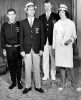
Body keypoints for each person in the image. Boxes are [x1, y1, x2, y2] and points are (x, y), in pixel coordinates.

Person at [20, 2, 44, 94]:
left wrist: (42, 49)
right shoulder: (22, 22)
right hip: (26, 49)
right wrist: (21, 49)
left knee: (37, 68)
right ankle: (28, 86)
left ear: (34, 10)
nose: (31, 11)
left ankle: (38, 86)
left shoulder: (39, 21)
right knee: (28, 68)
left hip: (37, 49)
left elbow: (42, 36)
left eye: (33, 9)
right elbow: (21, 37)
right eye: (29, 9)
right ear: (27, 11)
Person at [52, 4, 77, 90]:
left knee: (70, 66)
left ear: (66, 12)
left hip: (68, 48)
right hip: (59, 48)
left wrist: (70, 40)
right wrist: (54, 48)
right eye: (60, 12)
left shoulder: (71, 23)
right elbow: (54, 37)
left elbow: (74, 35)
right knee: (61, 66)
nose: (61, 13)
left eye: (63, 11)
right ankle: (63, 83)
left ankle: (74, 83)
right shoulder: (56, 24)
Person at [1, 8, 23, 89]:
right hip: (9, 49)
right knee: (11, 66)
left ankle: (19, 82)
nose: (11, 16)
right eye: (9, 14)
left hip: (18, 48)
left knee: (19, 66)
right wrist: (4, 49)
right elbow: (2, 38)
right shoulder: (4, 25)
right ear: (7, 15)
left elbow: (22, 37)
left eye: (13, 14)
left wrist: (22, 49)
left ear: (15, 15)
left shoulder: (19, 24)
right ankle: (13, 82)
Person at [39, 0, 59, 81]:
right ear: (44, 7)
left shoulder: (56, 16)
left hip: (53, 40)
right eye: (45, 6)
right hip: (44, 41)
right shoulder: (41, 17)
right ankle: (46, 74)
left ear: (51, 6)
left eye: (48, 6)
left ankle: (53, 74)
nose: (47, 8)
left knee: (53, 57)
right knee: (45, 58)